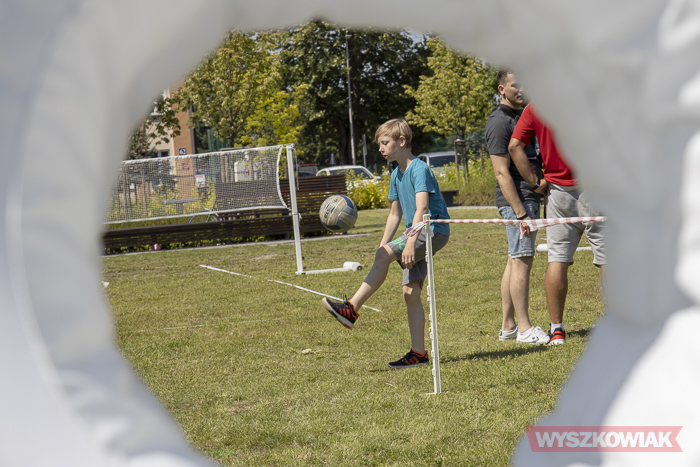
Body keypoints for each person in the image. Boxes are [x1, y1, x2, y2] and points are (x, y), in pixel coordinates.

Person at [322, 118, 450, 368]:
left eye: (384, 143)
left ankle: (351, 310)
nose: (380, 148)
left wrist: (410, 242)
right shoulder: (395, 175)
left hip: (432, 229)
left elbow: (423, 208)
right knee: (410, 293)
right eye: (379, 144)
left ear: (401, 141)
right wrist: (383, 246)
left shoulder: (419, 169)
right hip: (416, 232)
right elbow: (394, 214)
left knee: (385, 259)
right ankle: (419, 354)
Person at [509, 103, 606, 345]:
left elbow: (514, 146)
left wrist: (534, 182)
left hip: (558, 192)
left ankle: (557, 330)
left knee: (557, 259)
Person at [484, 70, 550, 345]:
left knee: (515, 259)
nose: (522, 89)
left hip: (526, 198)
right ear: (502, 89)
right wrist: (521, 212)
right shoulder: (500, 121)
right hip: (518, 201)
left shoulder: (519, 115)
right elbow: (501, 173)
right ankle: (524, 329)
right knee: (523, 260)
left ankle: (508, 326)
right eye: (515, 85)